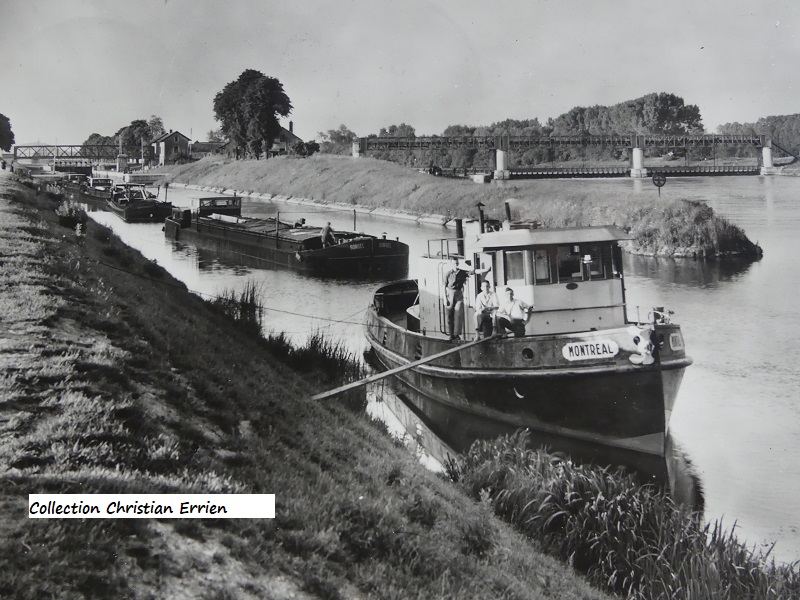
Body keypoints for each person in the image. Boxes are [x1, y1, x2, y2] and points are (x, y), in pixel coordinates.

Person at [444, 257, 470, 340]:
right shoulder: (448, 274)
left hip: (458, 293)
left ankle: (457, 334)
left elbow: (473, 272)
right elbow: (444, 286)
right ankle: (451, 335)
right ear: (451, 264)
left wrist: (486, 270)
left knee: (458, 313)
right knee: (450, 315)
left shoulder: (462, 272)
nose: (456, 265)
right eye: (454, 263)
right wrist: (445, 298)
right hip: (449, 293)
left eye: (457, 263)